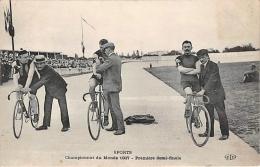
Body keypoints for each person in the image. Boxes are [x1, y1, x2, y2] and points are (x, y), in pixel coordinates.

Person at [22, 55, 70, 132]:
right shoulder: (37, 70)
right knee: (47, 106)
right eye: (37, 64)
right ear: (35, 64)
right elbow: (35, 80)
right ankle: (45, 125)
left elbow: (41, 82)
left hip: (59, 88)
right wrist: (30, 91)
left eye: (41, 63)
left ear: (45, 63)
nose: (39, 65)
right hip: (49, 89)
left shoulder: (49, 70)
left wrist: (29, 89)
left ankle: (66, 125)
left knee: (63, 107)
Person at [196, 49, 229, 140]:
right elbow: (201, 81)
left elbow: (213, 79)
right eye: (199, 58)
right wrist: (198, 89)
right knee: (208, 114)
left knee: (221, 114)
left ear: (207, 56)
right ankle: (209, 132)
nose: (201, 60)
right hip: (207, 96)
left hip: (217, 94)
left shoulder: (213, 65)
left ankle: (225, 134)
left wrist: (203, 90)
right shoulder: (202, 67)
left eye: (203, 57)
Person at [96, 42, 125, 135]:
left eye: (105, 50)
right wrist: (104, 61)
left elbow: (99, 69)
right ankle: (115, 126)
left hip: (111, 87)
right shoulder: (115, 58)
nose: (105, 51)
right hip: (113, 86)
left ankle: (121, 128)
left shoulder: (111, 59)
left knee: (116, 108)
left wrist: (97, 62)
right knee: (112, 108)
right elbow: (109, 67)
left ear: (109, 49)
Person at [175, 40, 201, 118]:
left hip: (196, 82)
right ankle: (187, 109)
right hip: (185, 81)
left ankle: (194, 117)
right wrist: (192, 69)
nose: (187, 48)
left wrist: (186, 70)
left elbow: (198, 70)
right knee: (189, 93)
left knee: (200, 103)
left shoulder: (196, 58)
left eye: (188, 47)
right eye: (185, 47)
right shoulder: (179, 58)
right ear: (182, 48)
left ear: (191, 47)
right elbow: (180, 70)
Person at [12, 49, 39, 122]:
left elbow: (30, 76)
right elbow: (15, 76)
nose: (27, 58)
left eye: (28, 56)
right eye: (25, 57)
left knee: (31, 97)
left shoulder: (31, 63)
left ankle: (36, 114)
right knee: (18, 92)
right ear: (19, 58)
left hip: (33, 80)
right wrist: (17, 87)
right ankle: (23, 109)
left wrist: (26, 88)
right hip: (23, 79)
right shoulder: (15, 63)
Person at [89, 39, 110, 126]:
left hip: (106, 76)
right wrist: (95, 74)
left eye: (103, 47)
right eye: (100, 47)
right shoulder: (96, 54)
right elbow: (94, 66)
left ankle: (105, 117)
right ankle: (94, 103)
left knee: (106, 97)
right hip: (97, 74)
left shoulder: (109, 54)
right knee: (91, 85)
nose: (101, 49)